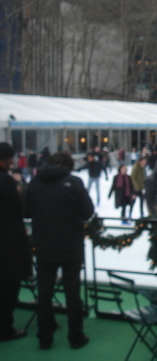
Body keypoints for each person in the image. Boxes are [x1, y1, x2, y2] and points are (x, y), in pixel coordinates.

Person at [23, 151, 94, 350]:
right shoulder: (74, 183)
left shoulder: (35, 182)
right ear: (69, 165)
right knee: (72, 293)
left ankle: (44, 337)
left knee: (44, 293)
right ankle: (76, 337)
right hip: (70, 245)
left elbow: (26, 211)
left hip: (44, 245)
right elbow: (88, 212)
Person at [0, 143, 32, 343]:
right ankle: (5, 328)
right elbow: (20, 209)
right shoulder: (5, 182)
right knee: (8, 289)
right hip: (8, 245)